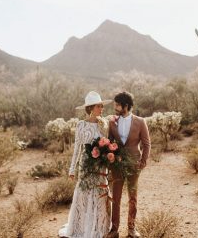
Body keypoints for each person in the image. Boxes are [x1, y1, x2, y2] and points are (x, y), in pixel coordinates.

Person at [58, 91, 112, 238]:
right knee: (85, 195)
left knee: (99, 195)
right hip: (86, 166)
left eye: (102, 106)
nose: (102, 109)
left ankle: (99, 228)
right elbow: (77, 148)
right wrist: (72, 169)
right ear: (91, 108)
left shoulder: (104, 124)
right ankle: (83, 228)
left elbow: (107, 145)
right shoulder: (81, 125)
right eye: (99, 106)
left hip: (100, 166)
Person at [106, 91, 150, 238]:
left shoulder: (140, 121)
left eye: (117, 105)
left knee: (133, 197)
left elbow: (146, 143)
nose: (115, 107)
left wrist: (143, 161)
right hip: (117, 166)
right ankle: (114, 229)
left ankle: (132, 229)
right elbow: (110, 142)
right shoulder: (112, 122)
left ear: (126, 105)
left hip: (133, 165)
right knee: (116, 198)